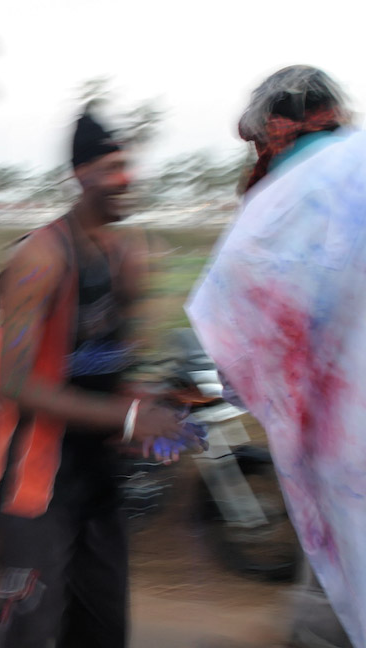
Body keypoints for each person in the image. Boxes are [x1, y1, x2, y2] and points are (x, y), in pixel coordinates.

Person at [0, 113, 191, 646]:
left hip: (102, 480)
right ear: (81, 174)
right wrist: (126, 417)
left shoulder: (129, 254)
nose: (127, 178)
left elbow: (123, 359)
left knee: (103, 630)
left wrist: (152, 405)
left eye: (128, 165)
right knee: (31, 632)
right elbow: (13, 383)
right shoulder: (40, 257)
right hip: (41, 484)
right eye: (113, 167)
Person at [186, 65, 363, 648]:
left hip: (347, 466)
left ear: (270, 131)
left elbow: (242, 354)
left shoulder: (276, 208)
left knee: (331, 608)